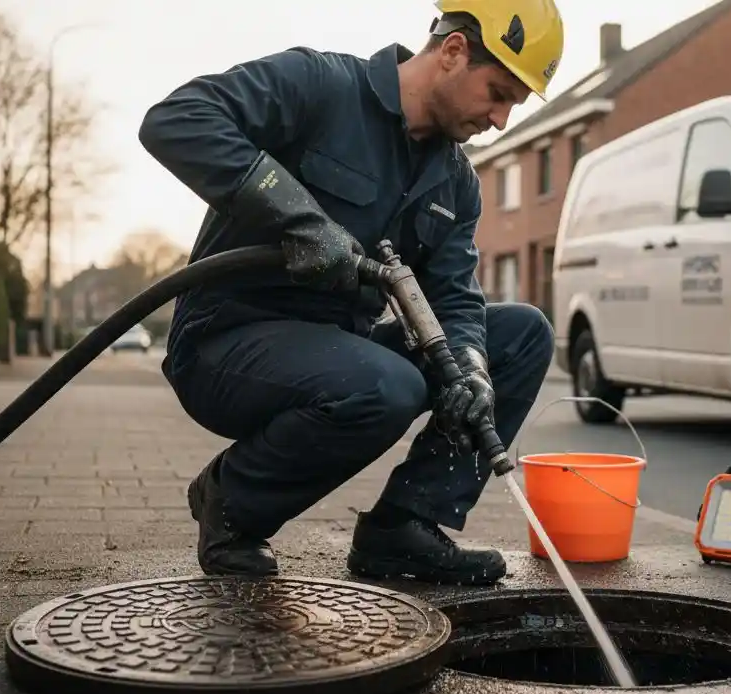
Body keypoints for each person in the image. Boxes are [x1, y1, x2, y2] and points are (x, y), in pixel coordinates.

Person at [136, 0, 565, 587]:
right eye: (498, 93)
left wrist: (471, 367)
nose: (500, 120)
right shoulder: (319, 86)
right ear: (454, 52)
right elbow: (177, 119)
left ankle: (405, 528)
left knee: (520, 335)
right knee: (387, 386)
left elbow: (455, 298)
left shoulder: (457, 183)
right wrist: (296, 215)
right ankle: (232, 502)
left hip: (340, 351)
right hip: (225, 344)